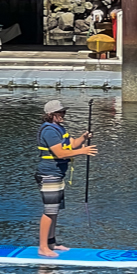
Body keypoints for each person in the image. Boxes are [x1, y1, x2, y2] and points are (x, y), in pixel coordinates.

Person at [35, 99, 97, 258]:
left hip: (58, 174)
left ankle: (51, 243)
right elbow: (60, 153)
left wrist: (83, 138)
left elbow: (73, 144)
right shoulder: (49, 131)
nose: (63, 114)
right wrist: (83, 151)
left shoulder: (60, 129)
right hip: (49, 174)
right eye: (59, 112)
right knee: (49, 211)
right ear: (51, 114)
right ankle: (43, 247)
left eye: (63, 112)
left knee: (54, 211)